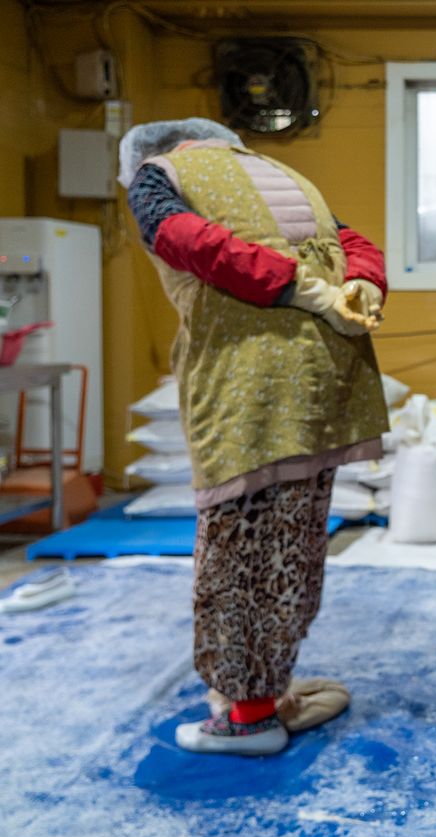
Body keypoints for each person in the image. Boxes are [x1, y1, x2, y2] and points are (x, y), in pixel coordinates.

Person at [119, 118, 391, 755]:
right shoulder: (291, 177)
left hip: (251, 391)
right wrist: (361, 284)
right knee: (292, 544)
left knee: (237, 551)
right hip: (328, 383)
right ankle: (271, 689)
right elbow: (355, 242)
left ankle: (245, 718)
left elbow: (181, 237)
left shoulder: (162, 177)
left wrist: (292, 286)